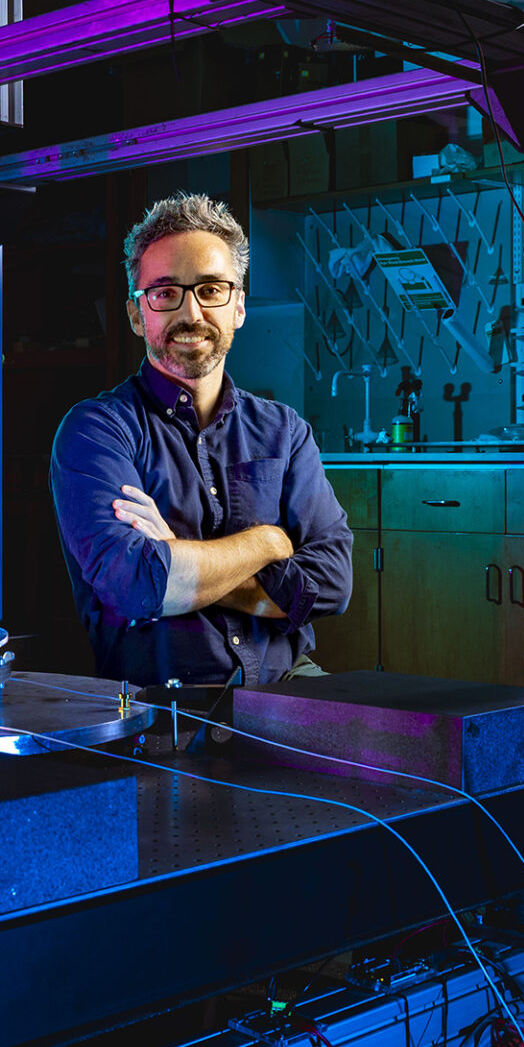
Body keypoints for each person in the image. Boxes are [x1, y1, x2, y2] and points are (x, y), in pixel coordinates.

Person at [50, 192, 353, 686]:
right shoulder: (97, 432)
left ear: (238, 307)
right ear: (135, 314)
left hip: (291, 685)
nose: (191, 313)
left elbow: (333, 586)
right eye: (165, 293)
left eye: (211, 289)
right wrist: (267, 542)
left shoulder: (286, 432)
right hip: (164, 709)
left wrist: (177, 554)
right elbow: (136, 586)